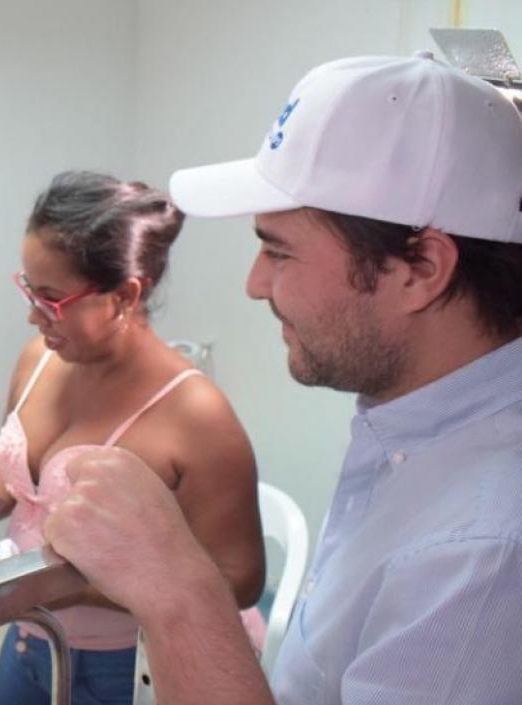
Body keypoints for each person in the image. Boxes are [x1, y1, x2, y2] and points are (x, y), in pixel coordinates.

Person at [44, 53, 522, 705]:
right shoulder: (414, 430)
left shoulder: (483, 549)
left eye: (278, 250)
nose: (254, 283)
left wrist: (179, 588)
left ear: (420, 269)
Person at [0, 171, 266, 705]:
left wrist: (72, 587)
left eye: (52, 299)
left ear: (124, 296)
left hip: (124, 665)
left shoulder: (195, 415)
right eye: (29, 288)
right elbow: (9, 474)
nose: (34, 315)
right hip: (29, 639)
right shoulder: (40, 360)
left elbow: (240, 580)